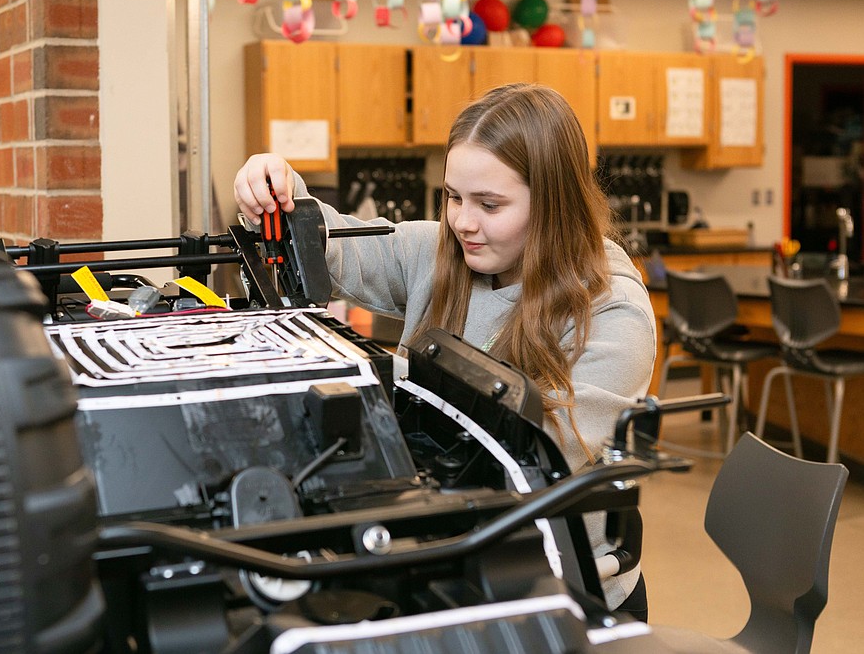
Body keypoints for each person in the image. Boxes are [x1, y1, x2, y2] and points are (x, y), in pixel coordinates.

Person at [234, 82, 657, 619]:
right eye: (454, 197)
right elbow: (329, 239)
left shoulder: (613, 312)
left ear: (555, 203)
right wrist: (276, 188)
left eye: (489, 204)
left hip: (563, 591)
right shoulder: (443, 253)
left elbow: (522, 462)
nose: (462, 221)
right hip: (448, 566)